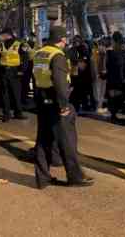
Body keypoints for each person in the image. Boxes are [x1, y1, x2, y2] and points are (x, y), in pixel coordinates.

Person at [33, 29, 94, 189]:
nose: (66, 41)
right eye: (65, 38)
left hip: (42, 99)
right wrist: (64, 105)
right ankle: (75, 176)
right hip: (55, 101)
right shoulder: (57, 56)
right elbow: (59, 82)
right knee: (67, 140)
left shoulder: (40, 53)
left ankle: (42, 178)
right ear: (61, 39)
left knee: (43, 140)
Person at [0, 28, 26, 122]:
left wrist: (21, 70)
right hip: (4, 72)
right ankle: (6, 114)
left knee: (16, 93)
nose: (1, 37)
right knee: (4, 94)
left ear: (8, 35)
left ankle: (18, 113)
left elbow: (25, 58)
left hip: (15, 72)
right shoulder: (1, 45)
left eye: (3, 35)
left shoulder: (19, 44)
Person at [106, 32, 125, 123]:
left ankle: (113, 115)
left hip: (112, 77)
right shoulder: (124, 52)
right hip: (120, 78)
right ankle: (114, 115)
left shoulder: (109, 52)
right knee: (118, 96)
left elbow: (107, 65)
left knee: (112, 97)